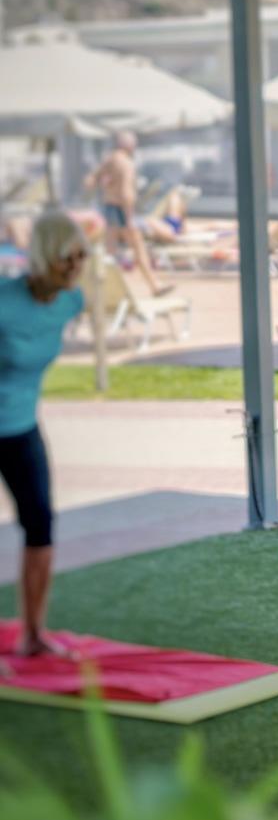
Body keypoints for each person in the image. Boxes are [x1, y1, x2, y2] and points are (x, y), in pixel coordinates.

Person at [0, 212, 88, 657]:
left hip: (20, 427)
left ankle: (33, 636)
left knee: (41, 527)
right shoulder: (2, 300)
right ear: (41, 259)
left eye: (81, 256)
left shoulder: (73, 302)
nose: (74, 267)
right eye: (65, 258)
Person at [85, 132, 172, 295]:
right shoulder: (126, 163)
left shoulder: (110, 159)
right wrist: (130, 216)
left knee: (110, 251)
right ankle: (154, 285)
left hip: (109, 207)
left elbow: (90, 181)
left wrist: (107, 186)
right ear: (129, 145)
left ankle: (102, 290)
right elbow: (126, 193)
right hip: (122, 210)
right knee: (138, 247)